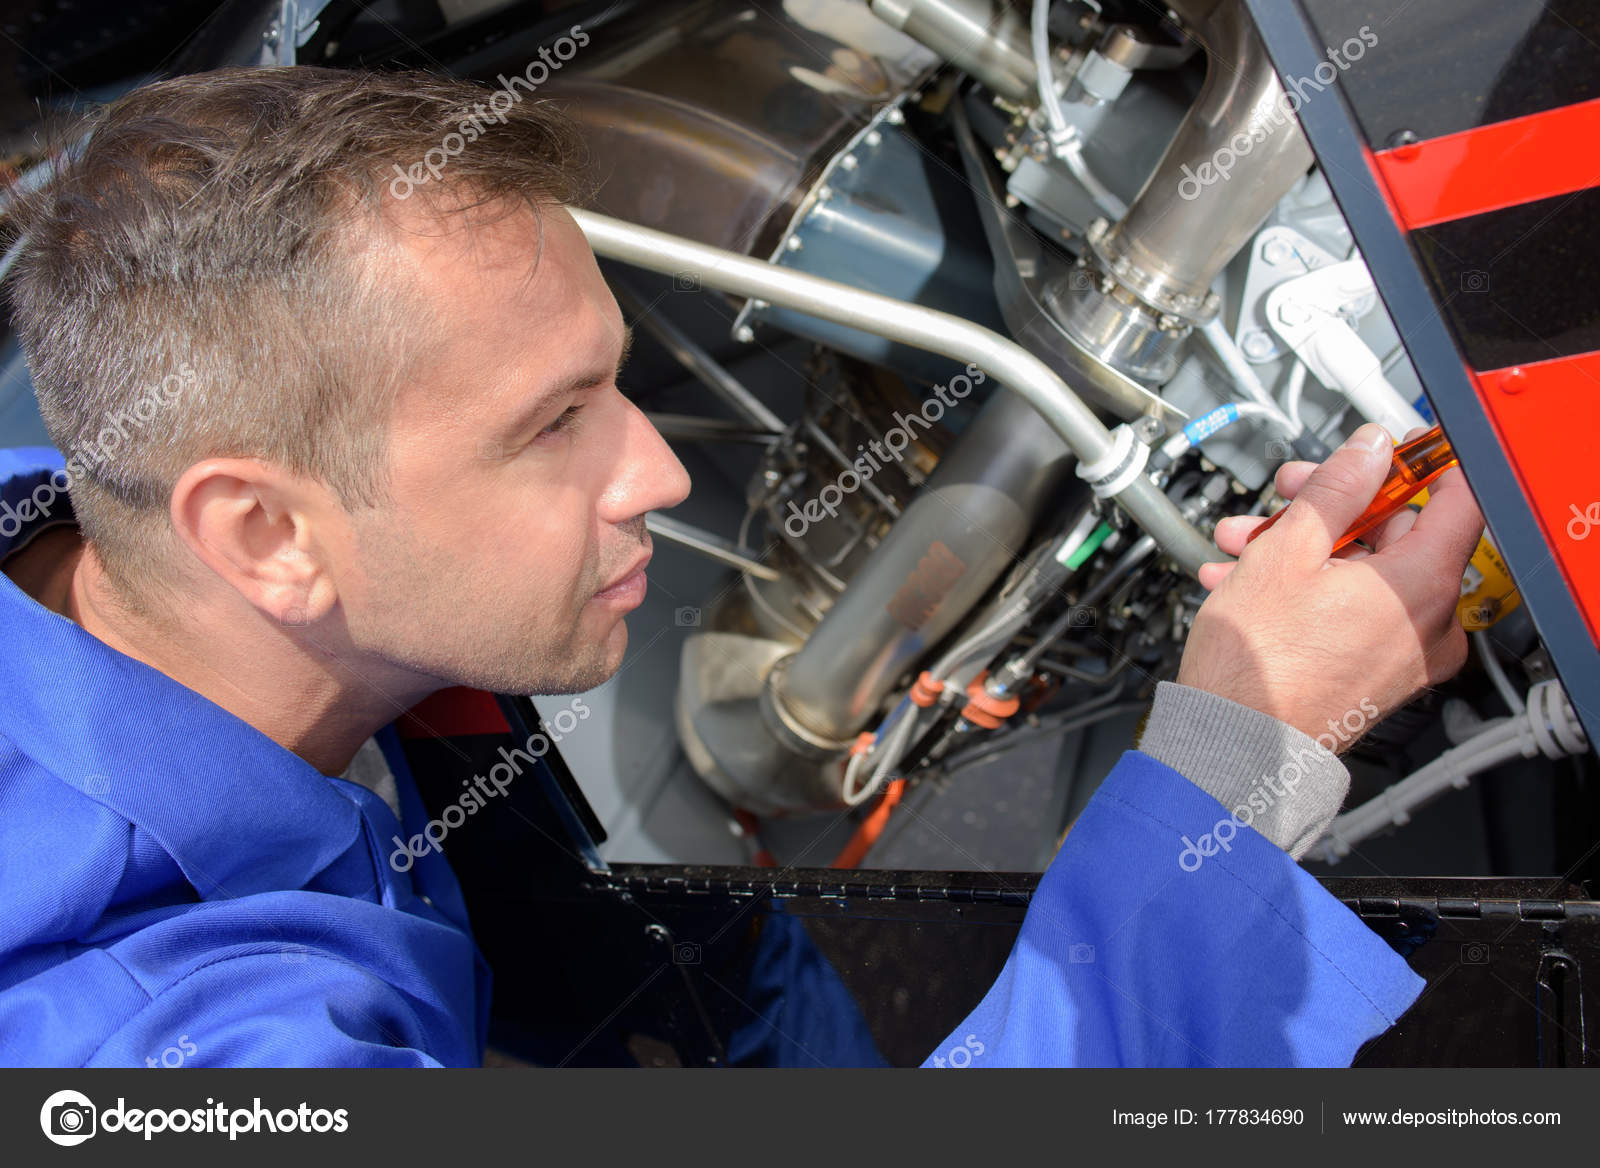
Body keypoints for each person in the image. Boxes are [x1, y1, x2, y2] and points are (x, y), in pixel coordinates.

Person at [0, 67, 1481, 1068]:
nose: (653, 469)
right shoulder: (198, 1050)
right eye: (552, 428)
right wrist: (1244, 759)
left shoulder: (87, 529)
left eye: (612, 382)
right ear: (262, 534)